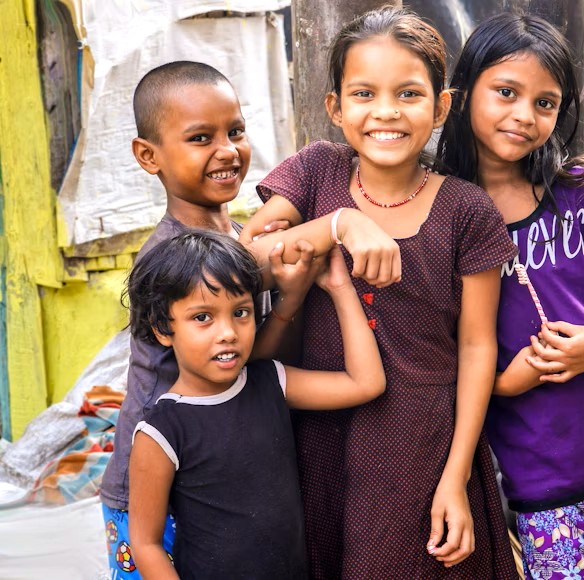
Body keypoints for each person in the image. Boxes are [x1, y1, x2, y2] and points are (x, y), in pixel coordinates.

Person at [238, 6, 518, 578]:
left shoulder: (467, 212)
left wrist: (457, 475)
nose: (385, 112)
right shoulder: (316, 173)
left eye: (409, 94)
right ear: (336, 108)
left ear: (442, 106)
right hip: (319, 441)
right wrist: (338, 224)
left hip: (422, 448)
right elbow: (244, 263)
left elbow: (476, 349)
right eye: (364, 93)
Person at [99, 60, 398, 579]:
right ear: (149, 156)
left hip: (224, 468)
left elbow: (255, 359)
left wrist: (291, 296)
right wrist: (345, 220)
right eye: (200, 137)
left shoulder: (238, 237)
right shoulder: (171, 256)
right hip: (155, 479)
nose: (227, 149)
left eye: (235, 131)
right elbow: (261, 258)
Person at [435, 13, 584, 579]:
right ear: (462, 94)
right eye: (505, 92)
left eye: (545, 103)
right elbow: (441, 347)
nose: (524, 116)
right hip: (540, 470)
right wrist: (511, 379)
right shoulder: (442, 213)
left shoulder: (578, 189)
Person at [126, 230, 385, 579]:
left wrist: (341, 289)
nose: (229, 332)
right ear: (162, 328)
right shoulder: (161, 432)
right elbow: (146, 544)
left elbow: (366, 383)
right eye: (203, 317)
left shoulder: (270, 382)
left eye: (241, 312)